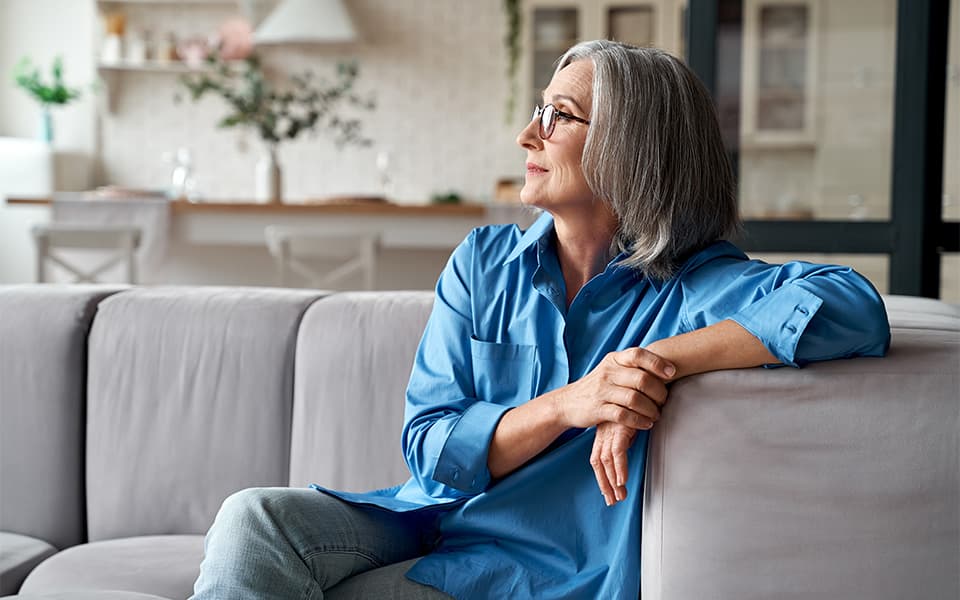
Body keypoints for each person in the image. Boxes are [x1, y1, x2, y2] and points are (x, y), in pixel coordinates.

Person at [191, 40, 889, 599]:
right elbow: (430, 445)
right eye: (538, 109)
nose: (530, 133)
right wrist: (575, 403)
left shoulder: (698, 286)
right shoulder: (484, 261)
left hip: (534, 570)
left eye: (560, 115)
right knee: (254, 520)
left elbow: (854, 305)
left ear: (633, 148)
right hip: (431, 521)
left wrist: (653, 363)